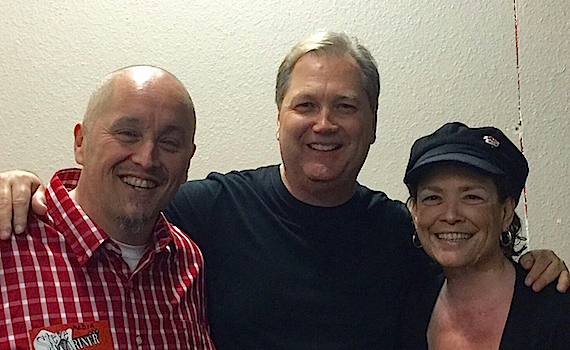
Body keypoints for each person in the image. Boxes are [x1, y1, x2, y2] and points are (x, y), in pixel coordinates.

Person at [0, 33, 567, 349]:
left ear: (372, 125)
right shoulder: (205, 212)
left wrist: (536, 264)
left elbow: (470, 262)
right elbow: (122, 196)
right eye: (306, 105)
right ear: (278, 119)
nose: (325, 123)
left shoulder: (400, 232)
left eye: (345, 106)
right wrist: (21, 187)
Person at [0, 66, 216, 349]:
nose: (146, 159)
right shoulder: (9, 244)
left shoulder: (188, 262)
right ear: (81, 142)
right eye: (127, 133)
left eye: (170, 142)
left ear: (188, 159)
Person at [403, 122, 570, 349]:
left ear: (505, 212)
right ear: (415, 212)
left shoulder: (556, 314)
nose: (451, 215)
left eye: (472, 197)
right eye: (433, 198)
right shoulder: (405, 307)